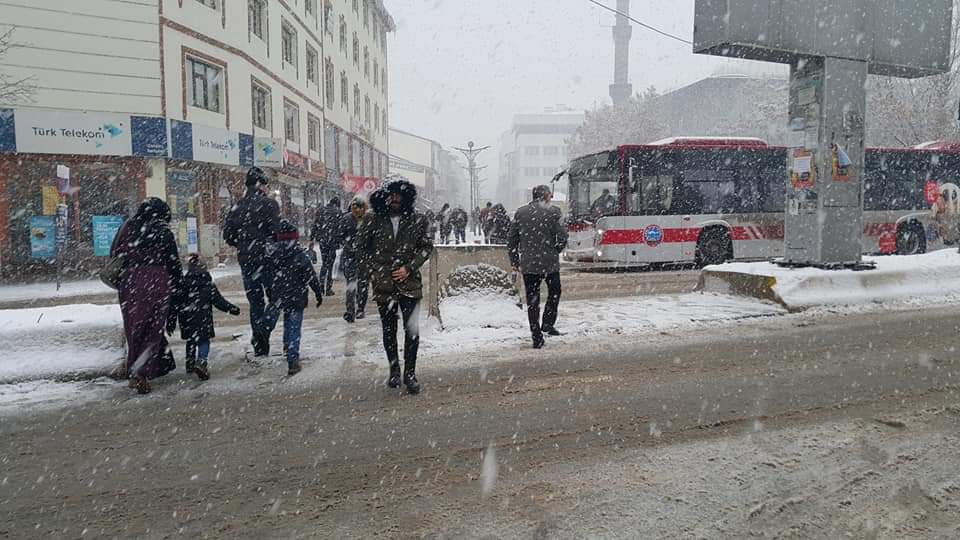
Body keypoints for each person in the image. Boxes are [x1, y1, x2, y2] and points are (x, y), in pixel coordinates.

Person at [356, 180, 434, 394]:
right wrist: (375, 270)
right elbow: (360, 248)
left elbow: (427, 247)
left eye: (400, 196)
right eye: (393, 196)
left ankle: (410, 373)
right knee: (389, 331)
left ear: (407, 198)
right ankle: (394, 370)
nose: (396, 200)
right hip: (384, 285)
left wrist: (409, 267)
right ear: (387, 196)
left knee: (412, 331)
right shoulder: (374, 218)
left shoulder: (417, 219)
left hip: (410, 284)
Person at [110, 197, 183, 394]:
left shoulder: (126, 228)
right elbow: (174, 264)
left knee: (134, 329)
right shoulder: (163, 232)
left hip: (130, 283)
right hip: (157, 281)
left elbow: (113, 254)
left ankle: (136, 368)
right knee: (153, 329)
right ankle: (140, 370)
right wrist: (178, 287)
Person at [223, 166, 281, 358]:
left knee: (255, 302)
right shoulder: (270, 205)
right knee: (276, 297)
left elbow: (228, 235)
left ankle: (259, 344)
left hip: (246, 259)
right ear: (261, 185)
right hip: (267, 258)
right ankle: (265, 328)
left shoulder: (237, 206)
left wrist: (243, 244)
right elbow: (276, 232)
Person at [508, 185, 568, 349]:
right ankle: (548, 323)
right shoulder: (554, 212)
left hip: (529, 264)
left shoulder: (521, 213)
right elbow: (563, 235)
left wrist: (514, 261)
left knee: (532, 300)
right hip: (550, 263)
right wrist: (556, 249)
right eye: (550, 194)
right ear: (546, 196)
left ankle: (536, 335)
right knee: (554, 292)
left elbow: (512, 240)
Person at [267, 220, 324, 376]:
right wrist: (318, 293)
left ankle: (286, 344)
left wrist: (270, 292)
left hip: (279, 295)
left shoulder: (273, 255)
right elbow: (311, 276)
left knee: (287, 317)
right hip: (296, 295)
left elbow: (268, 276)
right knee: (294, 325)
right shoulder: (300, 256)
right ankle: (292, 358)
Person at [177, 254, 241, 381]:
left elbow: (177, 302)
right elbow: (219, 301)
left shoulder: (183, 285)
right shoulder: (207, 285)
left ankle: (190, 363)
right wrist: (232, 309)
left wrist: (172, 317)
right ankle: (201, 361)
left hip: (187, 319)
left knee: (191, 340)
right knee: (203, 341)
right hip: (203, 319)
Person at [339, 197, 369, 323]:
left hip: (355, 256)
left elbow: (340, 237)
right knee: (360, 284)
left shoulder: (366, 220)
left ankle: (355, 310)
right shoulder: (365, 219)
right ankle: (356, 310)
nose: (357, 210)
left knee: (354, 284)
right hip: (355, 256)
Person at [312, 197, 342, 296]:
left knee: (324, 263)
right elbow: (340, 227)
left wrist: (312, 238)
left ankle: (321, 286)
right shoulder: (338, 212)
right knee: (330, 265)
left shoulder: (320, 211)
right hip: (333, 241)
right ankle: (328, 288)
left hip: (323, 241)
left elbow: (315, 225)